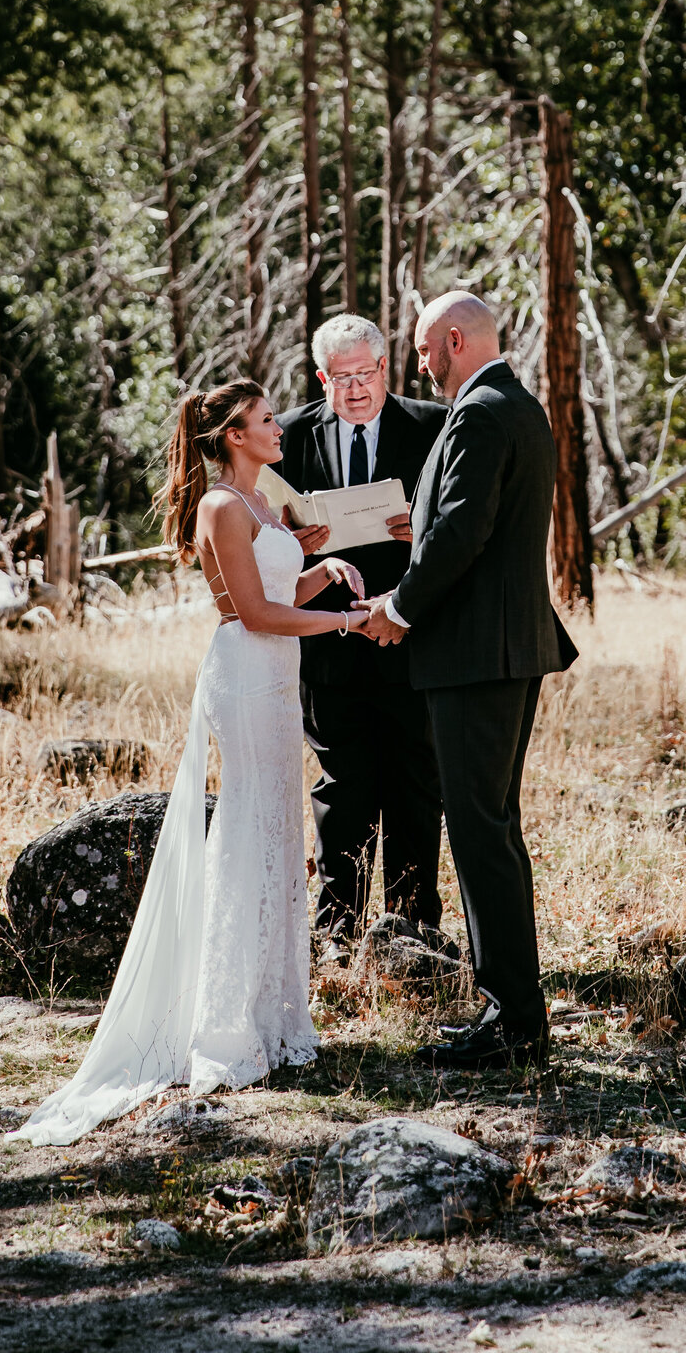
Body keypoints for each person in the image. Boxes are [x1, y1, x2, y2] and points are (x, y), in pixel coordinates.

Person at [13, 381, 369, 1146]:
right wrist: (345, 623)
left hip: (278, 674)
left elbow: (281, 593)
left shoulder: (265, 505)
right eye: (268, 420)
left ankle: (273, 1020)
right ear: (235, 435)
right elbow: (248, 614)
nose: (280, 428)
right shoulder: (220, 507)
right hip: (245, 676)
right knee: (246, 831)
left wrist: (326, 571)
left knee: (277, 832)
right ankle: (224, 1028)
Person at [363, 292, 578, 1069]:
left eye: (423, 350)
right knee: (492, 828)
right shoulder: (516, 406)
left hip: (476, 655)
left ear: (454, 340)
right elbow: (459, 522)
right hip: (503, 650)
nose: (420, 364)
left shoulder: (482, 412)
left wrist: (399, 607)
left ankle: (516, 1024)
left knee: (482, 832)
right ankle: (512, 1011)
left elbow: (462, 532)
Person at [274, 314, 448, 961]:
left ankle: (412, 933)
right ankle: (337, 935)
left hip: (408, 637)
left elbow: (462, 525)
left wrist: (422, 529)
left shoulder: (432, 427)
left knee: (414, 786)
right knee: (341, 793)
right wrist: (297, 545)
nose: (354, 388)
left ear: (386, 368)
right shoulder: (288, 436)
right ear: (322, 377)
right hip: (327, 644)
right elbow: (264, 541)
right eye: (339, 377)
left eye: (365, 374)